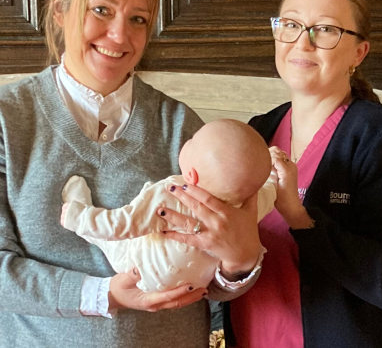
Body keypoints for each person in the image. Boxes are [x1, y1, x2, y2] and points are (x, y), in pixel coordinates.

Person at [0, 0, 264, 347]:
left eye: (138, 19)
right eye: (101, 11)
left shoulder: (182, 125)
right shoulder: (3, 118)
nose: (119, 35)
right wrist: (103, 295)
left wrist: (239, 264)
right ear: (61, 10)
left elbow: (210, 282)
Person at [158, 0, 382, 347]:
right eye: (290, 24)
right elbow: (229, 257)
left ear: (359, 52)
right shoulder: (256, 132)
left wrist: (300, 218)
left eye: (324, 30)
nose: (302, 42)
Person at [60, 119, 277, 293]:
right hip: (194, 285)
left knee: (110, 241)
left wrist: (79, 218)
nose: (188, 139)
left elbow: (122, 224)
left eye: (192, 140)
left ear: (191, 175)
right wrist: (273, 174)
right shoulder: (249, 205)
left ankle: (78, 211)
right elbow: (270, 191)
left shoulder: (172, 195)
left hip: (140, 273)